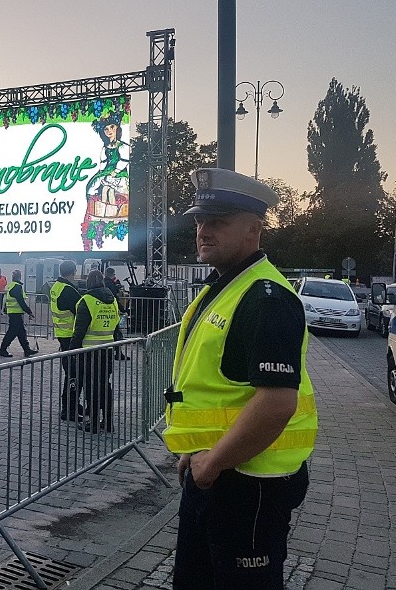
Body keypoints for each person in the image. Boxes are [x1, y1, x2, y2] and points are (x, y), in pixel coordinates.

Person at [162, 167, 318, 590]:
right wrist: (198, 450)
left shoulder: (265, 298)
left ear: (254, 229)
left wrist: (212, 462)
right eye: (199, 220)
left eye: (218, 222)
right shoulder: (228, 286)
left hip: (248, 483)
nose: (203, 230)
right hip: (219, 470)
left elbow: (277, 403)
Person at [70, 269, 120, 432]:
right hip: (107, 350)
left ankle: (92, 421)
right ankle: (107, 421)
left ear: (88, 283)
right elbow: (117, 326)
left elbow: (79, 331)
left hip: (89, 352)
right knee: (105, 386)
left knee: (91, 387)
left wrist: (71, 353)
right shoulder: (112, 300)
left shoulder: (86, 301)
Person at [49, 260, 83, 420]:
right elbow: (82, 311)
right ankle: (69, 409)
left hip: (62, 335)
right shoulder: (68, 290)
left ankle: (72, 405)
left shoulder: (56, 287)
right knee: (74, 375)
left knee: (71, 373)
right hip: (71, 337)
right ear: (72, 272)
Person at [0, 269, 38, 358]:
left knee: (21, 332)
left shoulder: (11, 286)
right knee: (12, 332)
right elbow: (21, 301)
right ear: (20, 277)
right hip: (15, 313)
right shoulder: (17, 287)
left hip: (13, 313)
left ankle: (26, 350)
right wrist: (29, 312)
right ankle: (2, 349)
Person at [103, 267, 130, 360]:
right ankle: (118, 353)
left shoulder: (103, 284)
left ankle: (116, 352)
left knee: (114, 332)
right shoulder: (111, 285)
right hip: (112, 311)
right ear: (113, 275)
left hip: (105, 311)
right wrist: (123, 309)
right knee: (117, 332)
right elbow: (115, 299)